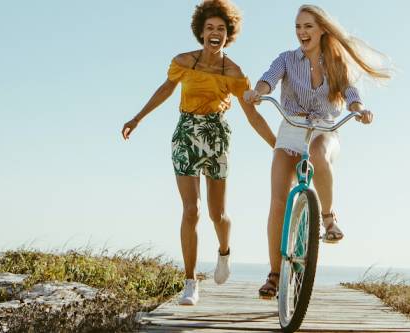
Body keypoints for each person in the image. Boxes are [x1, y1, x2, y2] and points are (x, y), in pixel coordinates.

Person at [120, 0, 274, 306]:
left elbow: (252, 116)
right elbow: (165, 89)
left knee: (218, 214)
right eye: (209, 28)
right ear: (200, 32)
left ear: (228, 34)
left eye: (221, 29)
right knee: (191, 210)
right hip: (186, 134)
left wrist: (277, 145)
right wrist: (138, 118)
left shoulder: (233, 72)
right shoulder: (183, 62)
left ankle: (224, 251)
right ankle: (190, 282)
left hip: (216, 137)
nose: (215, 33)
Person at [243, 4, 391, 299]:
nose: (302, 32)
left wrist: (359, 110)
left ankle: (328, 217)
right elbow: (268, 78)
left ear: (322, 29)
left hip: (324, 128)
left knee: (319, 154)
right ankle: (274, 274)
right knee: (278, 203)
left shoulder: (335, 62)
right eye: (298, 27)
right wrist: (258, 91)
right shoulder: (286, 59)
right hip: (291, 127)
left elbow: (350, 92)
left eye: (308, 26)